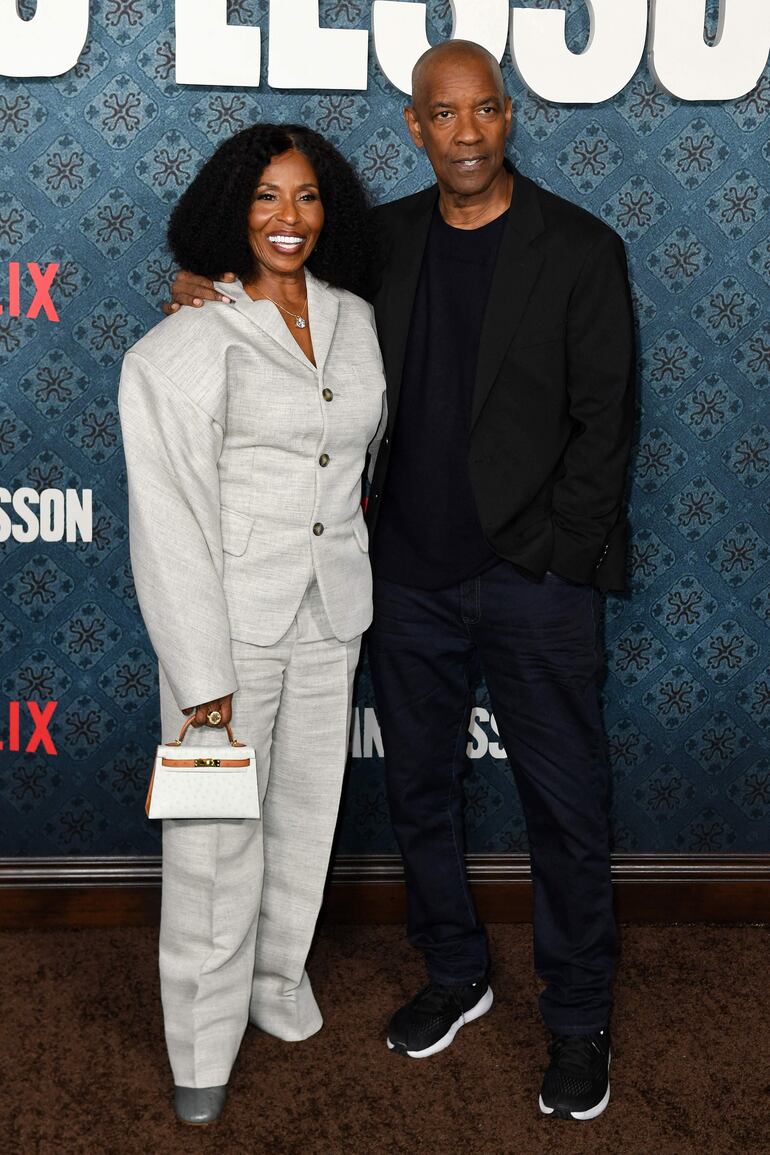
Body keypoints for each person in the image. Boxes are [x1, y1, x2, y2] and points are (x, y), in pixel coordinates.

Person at [167, 41, 635, 1124]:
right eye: (441, 114)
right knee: (419, 794)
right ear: (413, 127)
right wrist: (205, 284)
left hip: (534, 589)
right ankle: (455, 973)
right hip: (403, 587)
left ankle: (576, 1020)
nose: (464, 134)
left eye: (483, 112)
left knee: (565, 808)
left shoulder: (578, 248)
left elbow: (605, 427)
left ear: (506, 118)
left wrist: (552, 558)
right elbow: (289, 312)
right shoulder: (382, 246)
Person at [119, 123, 386, 1126]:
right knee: (213, 840)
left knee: (305, 816)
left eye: (307, 196)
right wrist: (200, 670)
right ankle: (200, 1038)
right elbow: (168, 515)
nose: (288, 218)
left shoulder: (353, 319)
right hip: (226, 630)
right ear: (233, 209)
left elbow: (353, 458)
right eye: (267, 197)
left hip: (329, 615)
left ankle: (274, 982)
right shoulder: (184, 342)